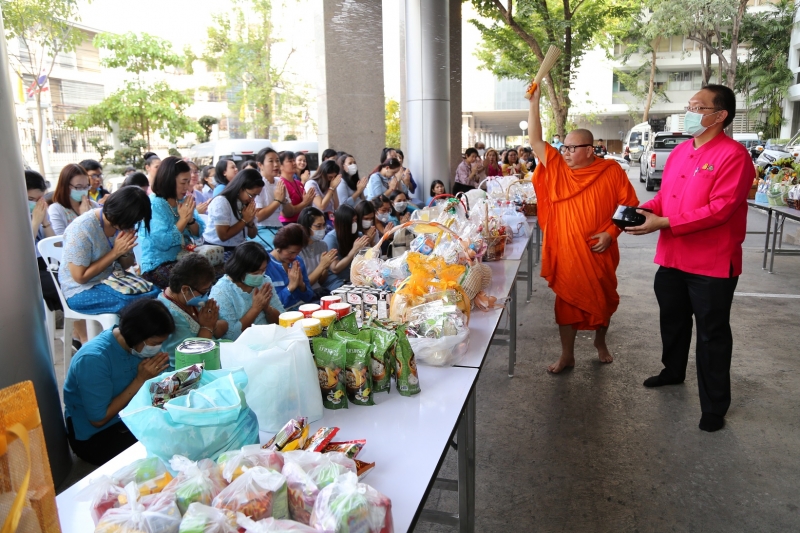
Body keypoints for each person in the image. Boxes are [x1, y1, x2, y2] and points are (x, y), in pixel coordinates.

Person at [625, 84, 755, 433]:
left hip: (711, 264)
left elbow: (721, 209)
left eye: (698, 106)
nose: (690, 111)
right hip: (671, 256)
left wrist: (664, 222)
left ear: (720, 115)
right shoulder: (682, 151)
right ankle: (673, 370)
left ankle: (714, 405)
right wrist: (641, 210)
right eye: (689, 105)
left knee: (712, 334)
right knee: (673, 320)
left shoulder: (734, 156)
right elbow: (665, 197)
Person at [527, 83, 638, 374]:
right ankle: (567, 355)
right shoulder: (558, 169)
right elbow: (536, 140)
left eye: (572, 148)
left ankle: (601, 343)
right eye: (564, 147)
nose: (565, 152)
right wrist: (534, 102)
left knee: (603, 300)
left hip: (598, 251)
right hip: (567, 251)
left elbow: (628, 208)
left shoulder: (611, 171)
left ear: (590, 150)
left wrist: (611, 233)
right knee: (565, 304)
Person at [63, 298, 174, 464]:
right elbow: (99, 419)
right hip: (99, 435)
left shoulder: (139, 347)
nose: (159, 347)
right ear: (137, 335)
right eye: (155, 343)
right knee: (167, 447)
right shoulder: (94, 359)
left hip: (132, 415)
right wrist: (140, 380)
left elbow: (164, 382)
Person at [59, 187, 160, 314]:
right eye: (131, 221)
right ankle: (124, 333)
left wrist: (125, 251)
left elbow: (126, 265)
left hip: (112, 279)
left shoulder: (122, 223)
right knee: (135, 305)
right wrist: (115, 253)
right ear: (118, 213)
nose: (133, 225)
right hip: (80, 289)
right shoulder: (82, 229)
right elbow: (80, 277)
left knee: (157, 293)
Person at [138, 157, 205, 289]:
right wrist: (183, 220)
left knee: (219, 273)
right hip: (157, 265)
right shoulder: (154, 204)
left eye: (188, 182)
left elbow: (198, 233)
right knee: (197, 281)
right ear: (169, 180)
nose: (187, 187)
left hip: (183, 260)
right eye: (183, 182)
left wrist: (190, 219)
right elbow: (163, 242)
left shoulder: (184, 200)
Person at [157, 254, 228, 369]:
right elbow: (188, 363)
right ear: (185, 289)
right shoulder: (169, 316)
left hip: (215, 355)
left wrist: (210, 325)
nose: (206, 295)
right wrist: (207, 327)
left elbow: (224, 325)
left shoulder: (191, 299)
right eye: (205, 290)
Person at [210, 242, 283, 341]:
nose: (260, 275)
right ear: (239, 269)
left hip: (270, 338)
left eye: (263, 270)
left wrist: (267, 308)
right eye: (256, 272)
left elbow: (282, 320)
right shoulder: (222, 291)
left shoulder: (265, 281)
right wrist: (256, 309)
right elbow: (231, 336)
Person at [202, 169, 263, 252]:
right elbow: (223, 236)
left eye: (256, 196)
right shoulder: (221, 201)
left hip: (238, 248)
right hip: (217, 250)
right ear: (241, 188)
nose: (253, 199)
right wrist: (244, 220)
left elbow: (252, 235)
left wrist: (250, 222)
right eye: (251, 195)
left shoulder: (245, 203)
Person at [27, 170, 60, 314]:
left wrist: (45, 222)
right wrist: (35, 222)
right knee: (63, 285)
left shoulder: (40, 214)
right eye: (31, 199)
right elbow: (24, 250)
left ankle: (79, 332)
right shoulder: (11, 215)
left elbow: (55, 246)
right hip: (30, 270)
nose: (36, 204)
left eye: (39, 199)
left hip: (48, 265)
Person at [266, 224, 317, 308]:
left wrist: (302, 285)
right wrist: (290, 287)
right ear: (278, 247)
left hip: (302, 308)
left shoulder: (298, 261)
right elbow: (272, 306)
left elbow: (309, 297)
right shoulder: (266, 265)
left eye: (297, 252)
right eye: (291, 252)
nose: (294, 256)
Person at [324, 205, 371, 290]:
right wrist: (353, 251)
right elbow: (335, 268)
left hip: (355, 279)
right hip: (337, 281)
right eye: (352, 221)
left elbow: (366, 260)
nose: (354, 224)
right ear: (343, 222)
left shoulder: (359, 235)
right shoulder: (331, 238)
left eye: (356, 220)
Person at [298, 207, 338, 296]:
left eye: (324, 225)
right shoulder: (297, 249)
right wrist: (322, 265)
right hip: (304, 295)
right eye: (318, 226)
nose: (322, 229)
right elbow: (304, 285)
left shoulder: (322, 245)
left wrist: (325, 269)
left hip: (319, 290)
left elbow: (321, 281)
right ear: (305, 227)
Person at [49, 164, 97, 236]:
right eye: (78, 187)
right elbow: (59, 242)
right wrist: (84, 217)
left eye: (86, 186)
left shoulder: (93, 205)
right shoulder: (57, 209)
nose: (83, 191)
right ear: (66, 186)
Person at [253, 147, 286, 248]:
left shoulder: (279, 182)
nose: (276, 165)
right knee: (281, 249)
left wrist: (284, 201)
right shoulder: (257, 183)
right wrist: (277, 201)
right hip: (261, 228)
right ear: (260, 165)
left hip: (278, 226)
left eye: (277, 161)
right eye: (271, 161)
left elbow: (288, 212)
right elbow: (257, 217)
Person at [278, 151, 316, 225]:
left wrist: (309, 200)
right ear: (281, 165)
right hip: (288, 224)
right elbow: (287, 213)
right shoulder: (280, 184)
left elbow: (306, 203)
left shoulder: (298, 182)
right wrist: (305, 202)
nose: (294, 163)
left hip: (302, 221)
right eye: (290, 161)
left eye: (293, 160)